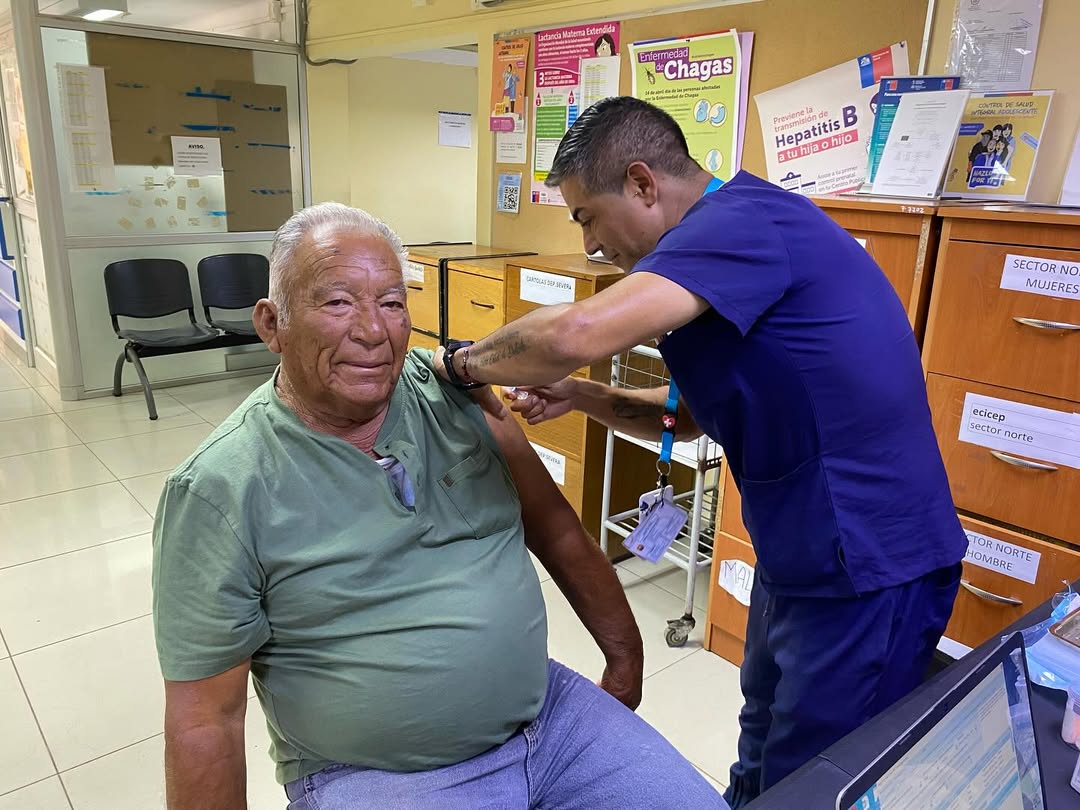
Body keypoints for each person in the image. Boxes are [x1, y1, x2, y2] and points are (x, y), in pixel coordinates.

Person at [434, 97, 967, 807]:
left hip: (869, 562)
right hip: (802, 553)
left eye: (587, 217)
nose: (590, 245)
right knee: (764, 744)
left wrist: (459, 364)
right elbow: (686, 419)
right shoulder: (712, 256)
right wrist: (580, 395)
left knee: (817, 777)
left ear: (642, 183)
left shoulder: (742, 224)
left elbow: (572, 334)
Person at [152, 202, 727, 810]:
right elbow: (205, 721)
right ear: (272, 324)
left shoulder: (456, 397)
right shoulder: (219, 489)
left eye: (392, 303)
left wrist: (624, 654)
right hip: (378, 774)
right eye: (338, 302)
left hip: (550, 720)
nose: (373, 331)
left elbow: (555, 527)